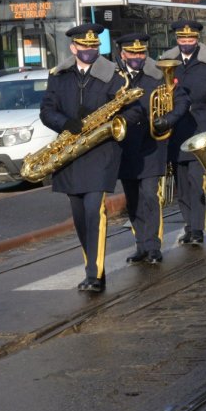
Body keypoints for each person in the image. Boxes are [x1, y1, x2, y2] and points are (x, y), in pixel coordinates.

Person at [39, 23, 142, 292]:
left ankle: (94, 274)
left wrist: (113, 124)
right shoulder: (58, 76)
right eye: (85, 47)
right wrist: (65, 123)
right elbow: (46, 111)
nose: (90, 51)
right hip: (69, 155)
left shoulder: (114, 75)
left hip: (101, 152)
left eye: (94, 46)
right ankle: (93, 267)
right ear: (73, 48)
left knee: (94, 210)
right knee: (79, 217)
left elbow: (134, 111)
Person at [116, 33, 188, 266]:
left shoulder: (157, 75)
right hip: (125, 147)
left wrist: (168, 120)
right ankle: (141, 245)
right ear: (122, 54)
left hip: (151, 146)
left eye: (141, 52)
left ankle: (154, 245)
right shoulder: (115, 78)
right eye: (133, 53)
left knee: (149, 195)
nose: (138, 57)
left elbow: (182, 101)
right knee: (133, 199)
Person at [161, 20, 206, 246]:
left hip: (200, 127)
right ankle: (188, 225)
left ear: (197, 39)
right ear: (177, 39)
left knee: (197, 182)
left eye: (190, 39)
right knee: (182, 183)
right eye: (182, 39)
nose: (186, 43)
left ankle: (197, 228)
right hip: (176, 130)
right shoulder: (168, 62)